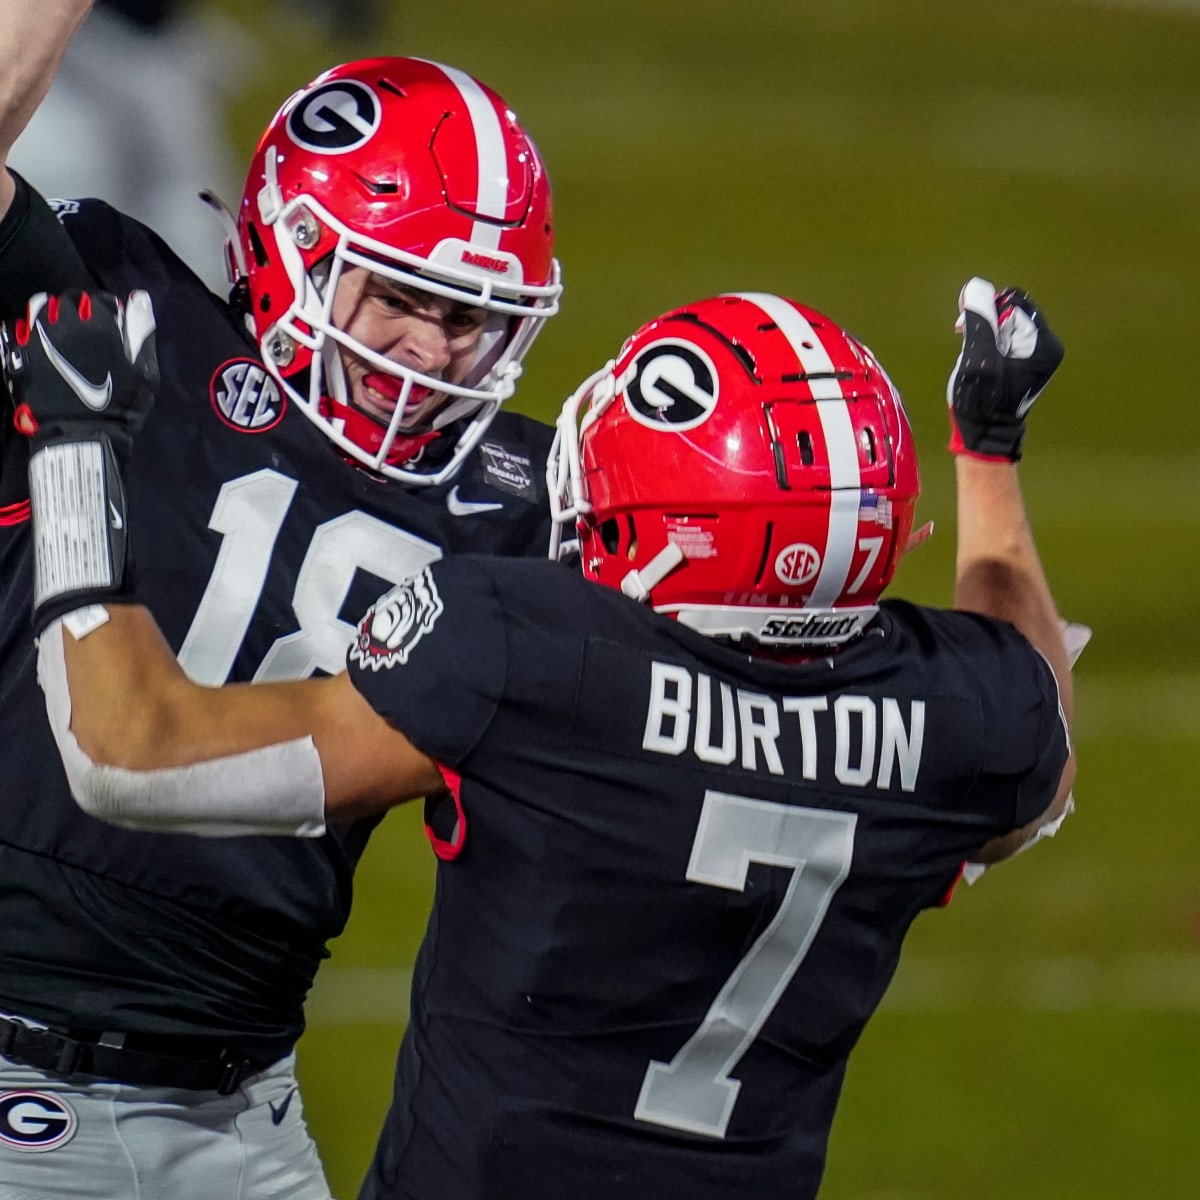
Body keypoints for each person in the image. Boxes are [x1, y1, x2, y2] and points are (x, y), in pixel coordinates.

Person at [8, 277, 1076, 1199]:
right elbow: (1041, 740)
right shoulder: (953, 720)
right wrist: (989, 453)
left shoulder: (537, 662)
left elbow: (127, 748)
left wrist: (71, 446)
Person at [0, 2, 561, 1195]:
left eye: (469, 316)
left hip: (241, 1113)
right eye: (395, 295)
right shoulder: (125, 312)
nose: (431, 350)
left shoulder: (527, 505)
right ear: (287, 247)